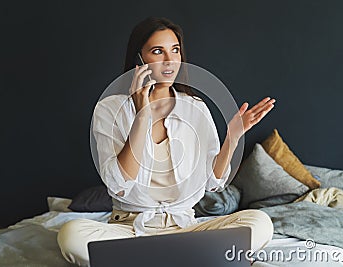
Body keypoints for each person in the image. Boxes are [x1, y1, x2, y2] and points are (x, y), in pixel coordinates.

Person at [57, 16, 275, 266]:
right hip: (130, 231)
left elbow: (213, 183)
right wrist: (142, 117)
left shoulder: (196, 108)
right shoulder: (109, 108)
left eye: (175, 50)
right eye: (158, 51)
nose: (170, 61)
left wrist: (233, 137)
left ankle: (154, 258)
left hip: (185, 228)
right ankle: (186, 258)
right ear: (139, 59)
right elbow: (118, 185)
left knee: (259, 224)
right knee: (71, 235)